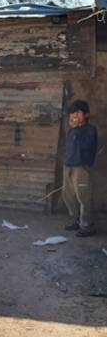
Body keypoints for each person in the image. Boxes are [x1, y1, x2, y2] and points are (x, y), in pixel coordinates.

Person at [63, 99, 99, 237]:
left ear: (87, 115)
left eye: (78, 113)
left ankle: (88, 227)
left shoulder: (89, 130)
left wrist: (75, 129)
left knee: (84, 198)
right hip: (68, 166)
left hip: (81, 168)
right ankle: (76, 220)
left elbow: (85, 147)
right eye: (72, 114)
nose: (74, 116)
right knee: (68, 196)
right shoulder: (73, 129)